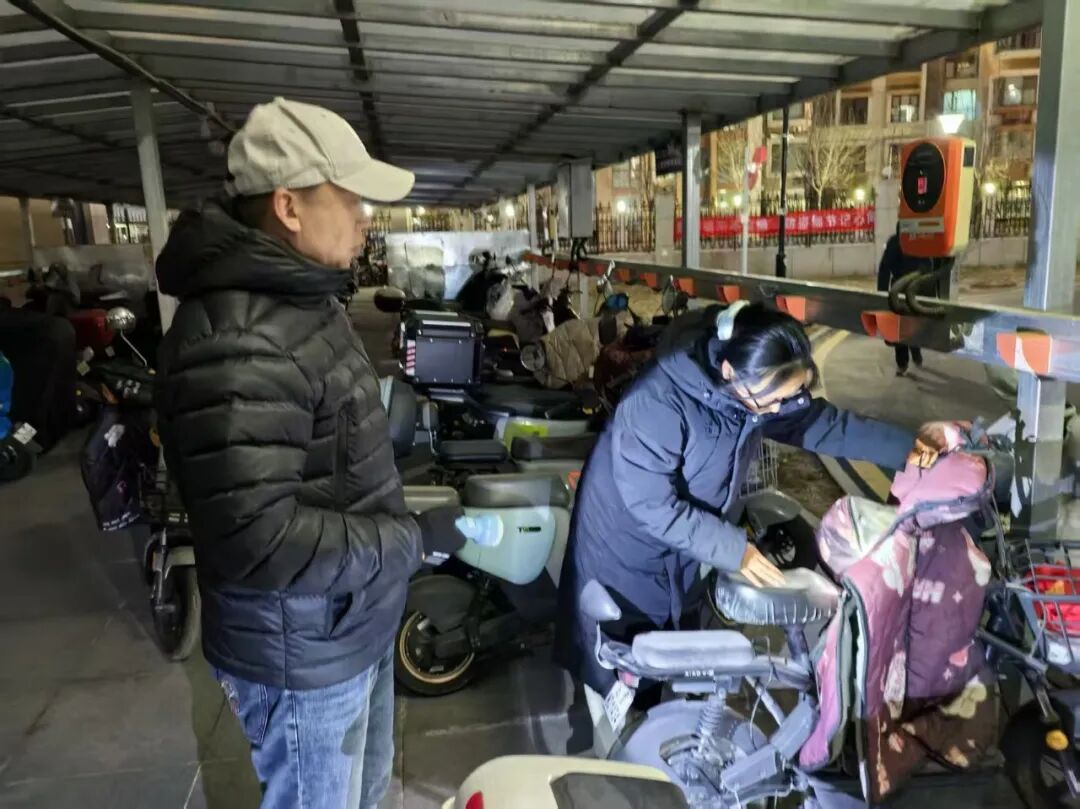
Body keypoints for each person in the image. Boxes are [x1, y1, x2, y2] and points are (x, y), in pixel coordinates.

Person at [154, 97, 465, 809]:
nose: (364, 217)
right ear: (289, 207)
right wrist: (408, 541)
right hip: (301, 652)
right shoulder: (240, 339)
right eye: (349, 199)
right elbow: (258, 538)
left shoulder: (302, 300)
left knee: (366, 791)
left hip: (343, 621)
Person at [554, 301, 957, 704]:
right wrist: (735, 550)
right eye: (772, 400)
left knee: (677, 654)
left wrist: (905, 447)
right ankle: (624, 728)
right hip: (626, 551)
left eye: (789, 396)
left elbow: (818, 423)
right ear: (730, 371)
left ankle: (674, 722)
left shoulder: (754, 390)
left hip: (686, 546)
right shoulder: (656, 403)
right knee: (632, 662)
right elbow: (653, 506)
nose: (777, 409)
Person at [877, 227, 933, 376]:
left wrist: (882, 293)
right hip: (911, 290)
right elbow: (928, 267)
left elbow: (884, 268)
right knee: (908, 324)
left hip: (904, 290)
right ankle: (911, 357)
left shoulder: (897, 241)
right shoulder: (916, 240)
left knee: (902, 327)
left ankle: (905, 361)